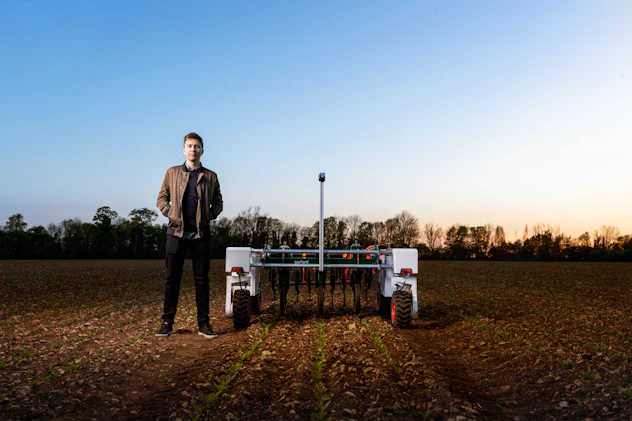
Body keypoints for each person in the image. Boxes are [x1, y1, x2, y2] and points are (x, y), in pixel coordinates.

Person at [155, 132, 223, 339]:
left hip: (201, 236)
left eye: (197, 146)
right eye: (189, 146)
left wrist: (206, 217)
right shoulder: (172, 172)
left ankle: (204, 324)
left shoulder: (211, 176)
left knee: (202, 281)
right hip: (175, 234)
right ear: (184, 150)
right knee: (172, 280)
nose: (193, 149)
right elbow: (161, 199)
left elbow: (218, 203)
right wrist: (171, 213)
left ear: (202, 150)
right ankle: (167, 323)